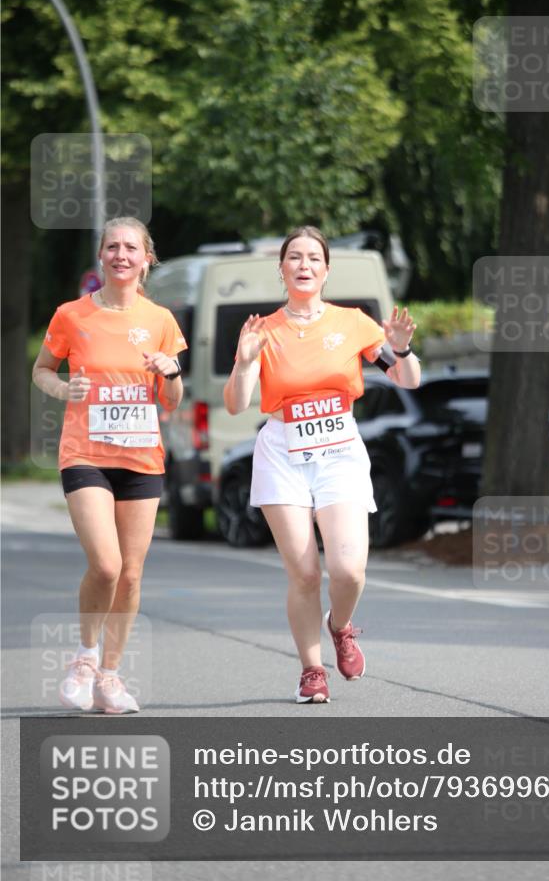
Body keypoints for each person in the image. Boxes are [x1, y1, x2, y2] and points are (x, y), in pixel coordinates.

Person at [224, 226, 420, 703]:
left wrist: (402, 348)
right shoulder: (263, 330)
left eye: (314, 257)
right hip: (282, 452)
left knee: (349, 571)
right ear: (283, 268)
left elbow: (407, 379)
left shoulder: (354, 323)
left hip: (339, 452)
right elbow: (235, 404)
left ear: (327, 270)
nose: (304, 265)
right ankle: (312, 671)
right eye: (295, 257)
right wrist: (244, 362)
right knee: (306, 574)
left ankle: (340, 625)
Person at [32, 217, 187, 714]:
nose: (122, 255)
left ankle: (111, 679)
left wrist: (172, 372)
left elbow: (173, 400)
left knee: (132, 575)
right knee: (106, 564)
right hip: (86, 454)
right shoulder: (72, 315)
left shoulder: (161, 319)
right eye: (112, 247)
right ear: (101, 256)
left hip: (142, 457)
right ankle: (84, 658)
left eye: (131, 248)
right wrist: (62, 388)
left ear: (147, 259)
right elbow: (41, 370)